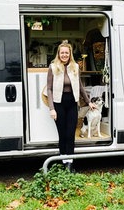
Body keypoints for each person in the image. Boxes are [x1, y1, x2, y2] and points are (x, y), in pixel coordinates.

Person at [46, 40, 96, 172]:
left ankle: (70, 163)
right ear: (58, 54)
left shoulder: (75, 67)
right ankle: (64, 161)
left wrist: (88, 101)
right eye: (62, 53)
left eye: (66, 53)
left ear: (70, 54)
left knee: (70, 134)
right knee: (62, 135)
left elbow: (80, 86)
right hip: (58, 104)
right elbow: (49, 89)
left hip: (72, 103)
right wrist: (52, 108)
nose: (64, 55)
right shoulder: (53, 67)